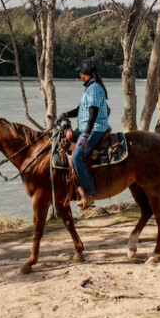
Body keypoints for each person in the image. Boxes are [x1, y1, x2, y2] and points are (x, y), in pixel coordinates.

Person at [62, 59, 110, 207]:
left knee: (77, 156)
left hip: (95, 128)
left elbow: (93, 114)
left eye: (80, 73)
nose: (80, 75)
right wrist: (65, 115)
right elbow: (79, 110)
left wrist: (86, 135)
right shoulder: (90, 88)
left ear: (84, 74)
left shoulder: (94, 89)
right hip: (84, 127)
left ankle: (89, 192)